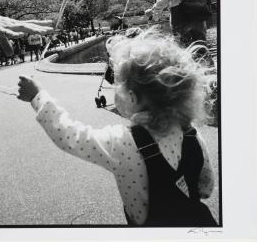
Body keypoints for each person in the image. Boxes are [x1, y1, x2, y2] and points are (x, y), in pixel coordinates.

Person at [17, 28, 216, 226]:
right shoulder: (192, 134)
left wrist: (38, 96)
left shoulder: (122, 143)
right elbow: (205, 187)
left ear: (132, 97)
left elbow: (70, 135)